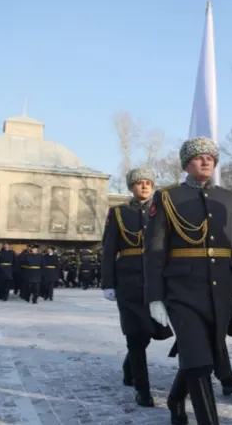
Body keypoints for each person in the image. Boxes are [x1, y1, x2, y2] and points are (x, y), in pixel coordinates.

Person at [144, 136, 232, 425]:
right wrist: (154, 295)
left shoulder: (228, 198)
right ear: (186, 163)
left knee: (202, 355)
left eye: (211, 157)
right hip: (181, 289)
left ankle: (175, 398)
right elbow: (154, 250)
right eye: (199, 156)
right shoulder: (166, 198)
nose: (206, 160)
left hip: (221, 289)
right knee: (200, 362)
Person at [102, 168, 174, 407]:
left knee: (147, 334)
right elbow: (109, 250)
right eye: (139, 183)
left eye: (148, 182)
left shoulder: (163, 209)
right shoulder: (119, 213)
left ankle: (128, 367)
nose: (144, 186)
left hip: (157, 281)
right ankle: (143, 390)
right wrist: (108, 283)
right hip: (129, 283)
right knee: (134, 335)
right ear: (131, 187)